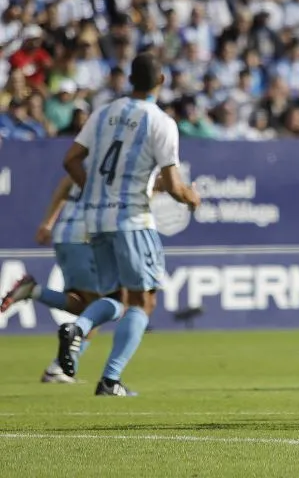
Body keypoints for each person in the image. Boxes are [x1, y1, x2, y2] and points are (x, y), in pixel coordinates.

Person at [56, 51, 201, 396]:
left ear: (129, 79)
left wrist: (92, 190)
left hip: (97, 218)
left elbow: (71, 159)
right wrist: (192, 198)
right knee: (143, 301)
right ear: (161, 81)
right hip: (133, 218)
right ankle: (110, 379)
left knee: (116, 298)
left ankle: (79, 327)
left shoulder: (104, 112)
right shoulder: (161, 122)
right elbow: (175, 185)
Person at [1, 176, 100, 383]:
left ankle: (58, 367)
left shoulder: (83, 160)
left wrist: (48, 223)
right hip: (84, 238)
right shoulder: (108, 161)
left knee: (90, 308)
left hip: (65, 234)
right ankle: (59, 368)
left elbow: (64, 186)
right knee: (100, 308)